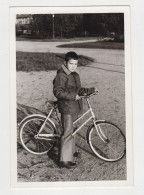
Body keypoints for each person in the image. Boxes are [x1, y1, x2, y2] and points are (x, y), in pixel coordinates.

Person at [53, 51, 95, 168]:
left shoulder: (75, 75)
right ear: (65, 63)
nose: (73, 66)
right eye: (71, 64)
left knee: (72, 129)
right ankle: (64, 160)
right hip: (67, 107)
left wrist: (88, 91)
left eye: (75, 64)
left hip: (74, 106)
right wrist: (73, 96)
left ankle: (69, 151)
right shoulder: (61, 75)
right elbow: (58, 91)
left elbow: (78, 89)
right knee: (67, 131)